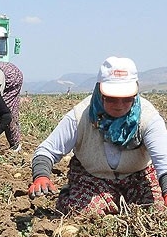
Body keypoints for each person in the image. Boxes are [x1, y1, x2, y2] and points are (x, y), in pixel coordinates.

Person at [28, 56, 167, 216]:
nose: (119, 105)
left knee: (157, 211)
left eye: (127, 99)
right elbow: (47, 151)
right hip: (93, 179)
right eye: (112, 99)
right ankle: (70, 194)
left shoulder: (148, 118)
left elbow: (164, 160)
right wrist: (41, 176)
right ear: (100, 92)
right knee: (83, 213)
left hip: (137, 177)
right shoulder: (80, 116)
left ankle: (118, 204)